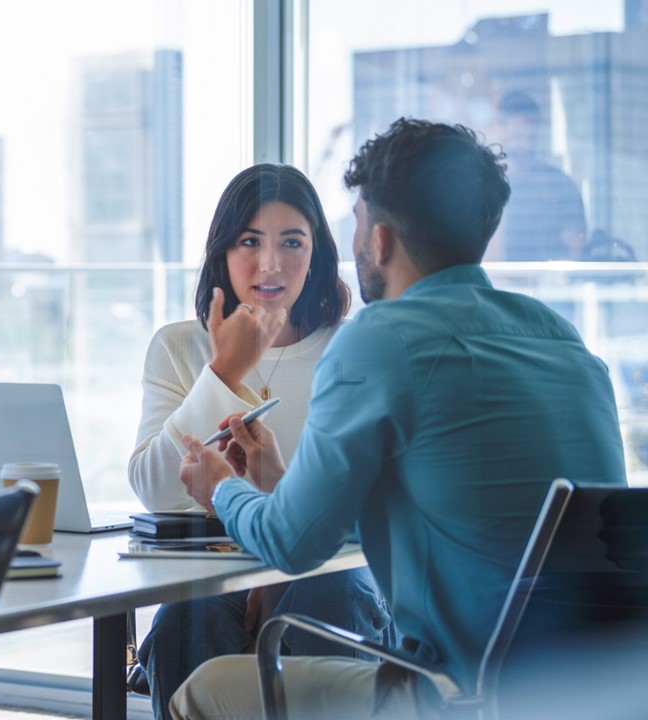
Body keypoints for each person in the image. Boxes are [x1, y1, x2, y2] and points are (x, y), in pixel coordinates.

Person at [171, 119, 627, 719]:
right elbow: (470, 521)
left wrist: (221, 488)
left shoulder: (380, 341)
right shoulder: (563, 340)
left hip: (458, 695)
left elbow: (290, 546)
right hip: (601, 688)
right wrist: (283, 487)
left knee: (203, 689)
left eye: (356, 221)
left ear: (380, 239)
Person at [128, 163, 394, 719]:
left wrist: (276, 567)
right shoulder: (180, 346)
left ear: (316, 254)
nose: (270, 263)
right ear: (222, 252)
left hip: (331, 572)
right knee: (187, 617)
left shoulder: (353, 349)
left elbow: (373, 508)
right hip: (214, 574)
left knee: (330, 593)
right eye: (250, 241)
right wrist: (223, 373)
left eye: (291, 242)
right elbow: (157, 491)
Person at [491, 90, 587, 261]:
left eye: (532, 137)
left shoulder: (560, 186)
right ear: (500, 131)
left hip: (548, 285)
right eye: (518, 136)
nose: (526, 146)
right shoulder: (484, 186)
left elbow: (576, 251)